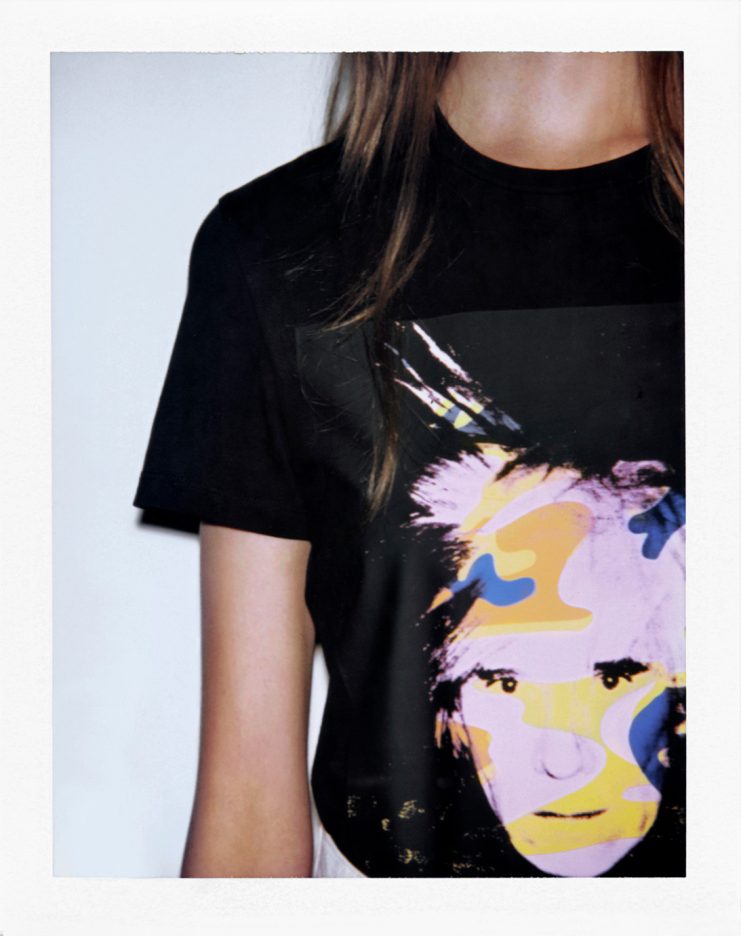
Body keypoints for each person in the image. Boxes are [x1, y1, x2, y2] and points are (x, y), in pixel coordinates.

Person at [134, 51, 684, 877]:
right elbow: (246, 795)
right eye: (501, 681)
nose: (562, 759)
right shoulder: (282, 247)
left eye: (613, 674)